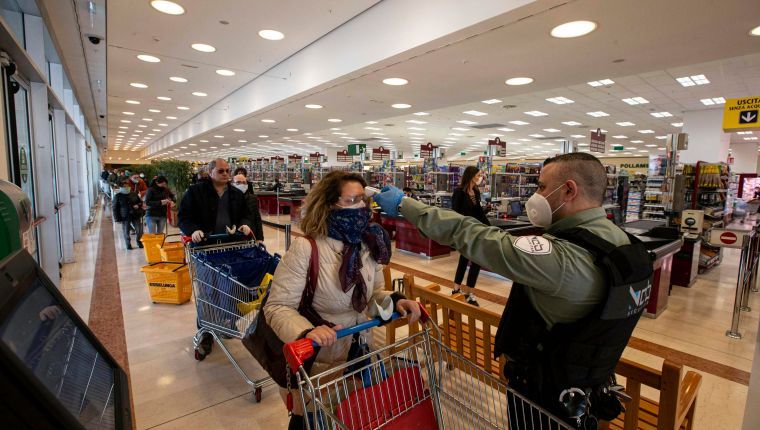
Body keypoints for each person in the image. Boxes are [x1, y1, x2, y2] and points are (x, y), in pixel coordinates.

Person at [373, 153, 653, 426]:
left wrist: (405, 204)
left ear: (569, 190)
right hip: (588, 387)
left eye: (542, 187)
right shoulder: (623, 246)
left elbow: (473, 235)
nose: (537, 194)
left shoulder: (565, 259)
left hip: (543, 398)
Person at [256, 171, 421, 429]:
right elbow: (277, 306)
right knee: (312, 420)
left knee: (351, 415)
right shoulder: (307, 248)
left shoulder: (368, 244)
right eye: (350, 201)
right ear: (329, 204)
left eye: (362, 201)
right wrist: (307, 332)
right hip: (318, 360)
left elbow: (373, 296)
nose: (360, 208)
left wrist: (394, 302)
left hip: (358, 351)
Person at [178, 158, 253, 243]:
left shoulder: (237, 194)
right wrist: (193, 230)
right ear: (210, 172)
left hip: (231, 242)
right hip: (204, 243)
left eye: (227, 171)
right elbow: (183, 218)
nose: (225, 174)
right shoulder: (195, 192)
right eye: (220, 171)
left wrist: (244, 224)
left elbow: (246, 215)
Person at [450, 167, 490, 306]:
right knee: (464, 259)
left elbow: (479, 211)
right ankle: (456, 289)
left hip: (476, 231)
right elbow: (455, 213)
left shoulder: (476, 191)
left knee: (477, 261)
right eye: (478, 175)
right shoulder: (459, 192)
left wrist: (489, 226)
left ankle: (470, 292)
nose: (480, 177)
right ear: (471, 176)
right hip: (465, 232)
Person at [112, 178, 145, 250]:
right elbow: (115, 208)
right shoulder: (118, 196)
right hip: (125, 216)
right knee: (126, 231)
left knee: (139, 230)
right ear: (121, 187)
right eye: (124, 186)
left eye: (127, 186)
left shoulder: (134, 194)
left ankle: (139, 242)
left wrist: (138, 205)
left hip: (135, 214)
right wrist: (117, 218)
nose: (126, 187)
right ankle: (128, 244)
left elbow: (140, 202)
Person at [232, 173, 264, 243]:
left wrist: (260, 238)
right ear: (232, 184)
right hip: (235, 238)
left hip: (251, 235)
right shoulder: (229, 198)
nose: (242, 185)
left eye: (244, 182)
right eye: (238, 182)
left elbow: (257, 219)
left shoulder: (253, 198)